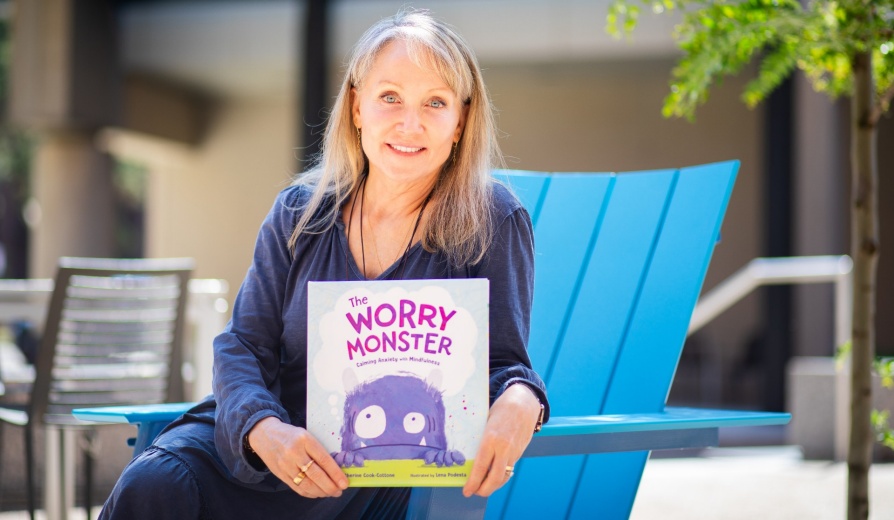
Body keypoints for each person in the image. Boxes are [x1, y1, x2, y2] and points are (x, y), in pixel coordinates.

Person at [100, 8, 548, 519]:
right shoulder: (300, 211)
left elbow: (505, 365)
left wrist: (521, 398)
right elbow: (242, 344)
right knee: (154, 483)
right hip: (264, 442)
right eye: (390, 98)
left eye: (436, 102)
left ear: (461, 119)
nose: (410, 123)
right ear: (357, 107)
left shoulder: (492, 220)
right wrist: (262, 430)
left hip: (379, 464)